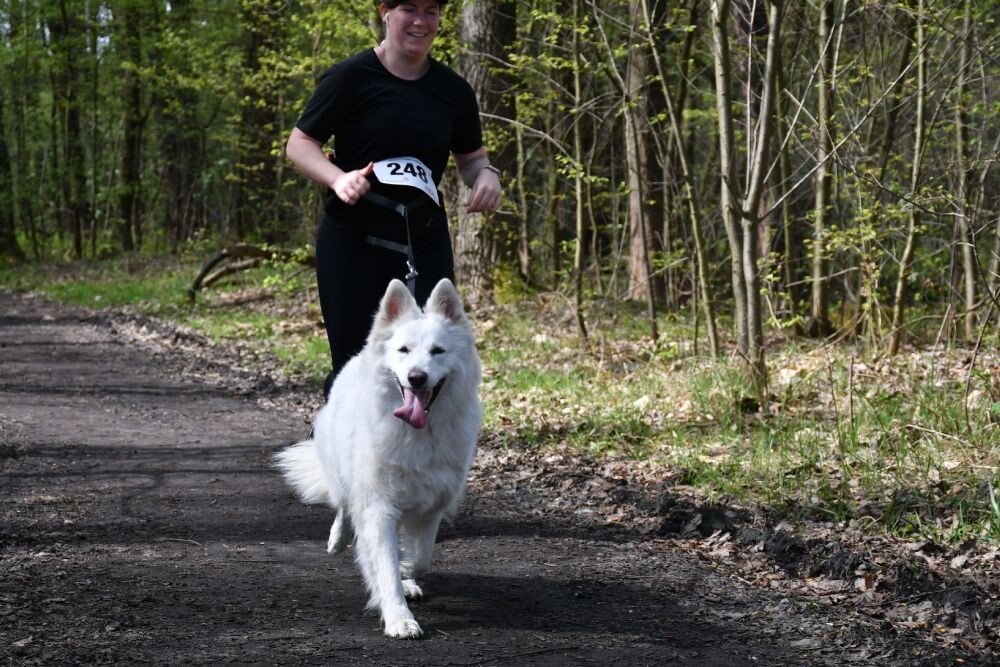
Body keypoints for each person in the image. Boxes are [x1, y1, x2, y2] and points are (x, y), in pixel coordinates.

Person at [286, 0, 502, 398]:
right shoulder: (349, 78)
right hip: (353, 241)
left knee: (426, 361)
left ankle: (420, 455)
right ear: (385, 11)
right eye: (409, 8)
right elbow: (300, 144)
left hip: (424, 241)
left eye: (432, 11)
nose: (421, 21)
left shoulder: (453, 90)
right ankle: (337, 451)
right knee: (356, 367)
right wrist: (338, 178)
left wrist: (487, 176)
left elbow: (472, 159)